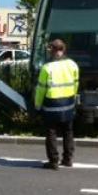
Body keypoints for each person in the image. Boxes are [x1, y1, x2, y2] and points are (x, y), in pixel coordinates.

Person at [34, 39, 79, 170]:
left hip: (52, 104)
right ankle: (68, 159)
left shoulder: (47, 68)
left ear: (52, 51)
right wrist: (73, 98)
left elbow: (41, 89)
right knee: (68, 131)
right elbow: (76, 84)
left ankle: (53, 161)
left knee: (51, 132)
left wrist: (37, 105)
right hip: (68, 102)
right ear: (63, 49)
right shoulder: (72, 65)